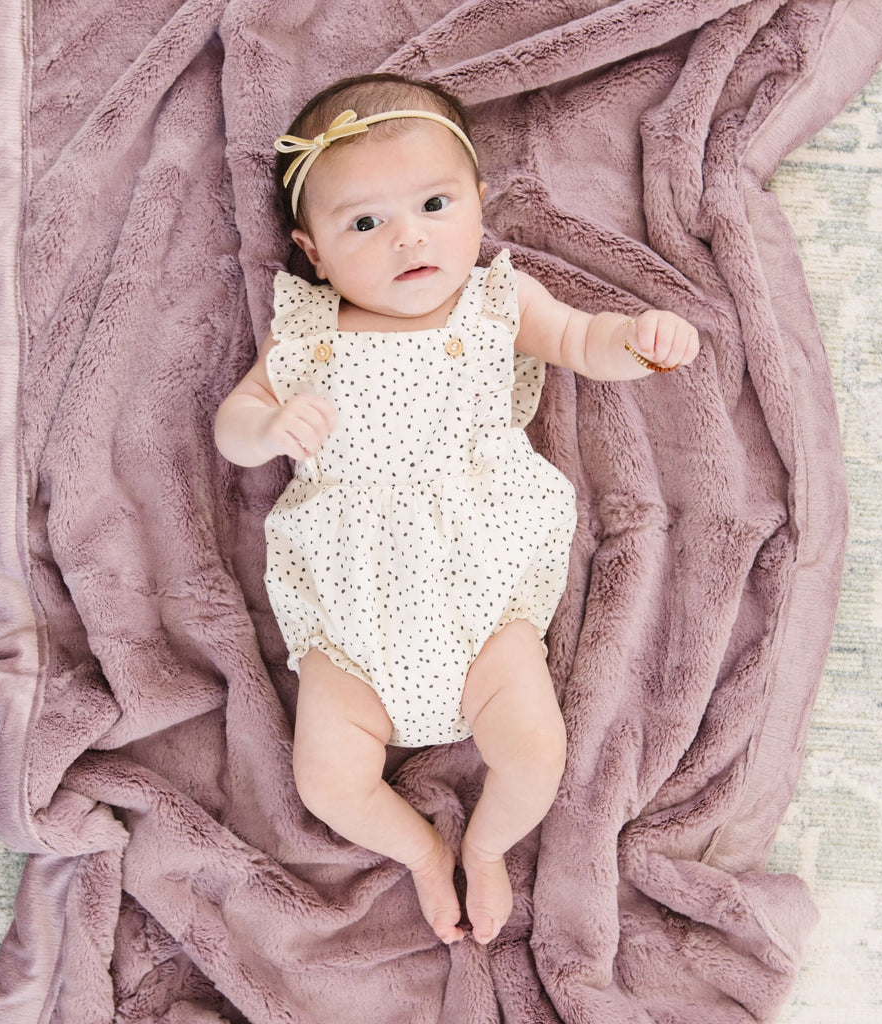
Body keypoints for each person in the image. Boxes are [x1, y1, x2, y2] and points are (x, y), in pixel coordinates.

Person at [215, 73, 699, 946]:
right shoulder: (309, 333)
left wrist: (642, 341)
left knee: (534, 752)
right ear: (314, 251)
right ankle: (421, 854)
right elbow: (235, 426)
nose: (409, 238)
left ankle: (484, 846)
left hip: (480, 595)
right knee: (327, 780)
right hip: (353, 611)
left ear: (477, 201)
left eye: (435, 203)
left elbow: (587, 341)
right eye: (364, 222)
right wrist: (271, 424)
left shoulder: (494, 303)